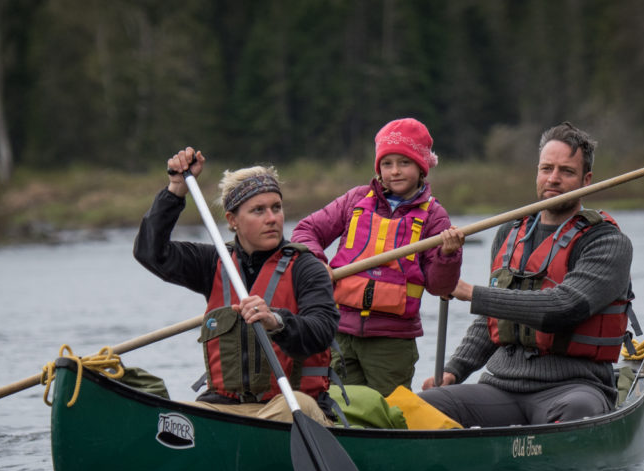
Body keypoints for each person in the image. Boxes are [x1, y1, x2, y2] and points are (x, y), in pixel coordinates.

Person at [418, 122, 638, 427]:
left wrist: (472, 293)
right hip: (501, 386)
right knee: (423, 408)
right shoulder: (510, 232)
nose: (554, 179)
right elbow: (493, 319)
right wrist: (454, 370)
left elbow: (563, 307)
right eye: (546, 168)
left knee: (577, 413)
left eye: (566, 171)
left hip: (574, 388)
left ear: (587, 180)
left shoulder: (607, 242)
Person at [134, 147, 338, 424]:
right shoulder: (213, 262)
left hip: (292, 405)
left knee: (291, 408)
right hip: (226, 407)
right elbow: (150, 252)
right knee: (171, 417)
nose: (272, 218)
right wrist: (176, 190)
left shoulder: (306, 267)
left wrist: (276, 321)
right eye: (258, 210)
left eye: (276, 208)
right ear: (232, 221)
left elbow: (322, 330)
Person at [292, 117, 465, 397]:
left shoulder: (435, 216)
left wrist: (449, 254)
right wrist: (316, 263)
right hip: (340, 331)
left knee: (388, 413)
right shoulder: (355, 200)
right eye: (387, 164)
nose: (395, 171)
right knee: (339, 406)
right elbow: (306, 230)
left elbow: (440, 287)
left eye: (404, 163)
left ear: (421, 168)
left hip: (392, 341)